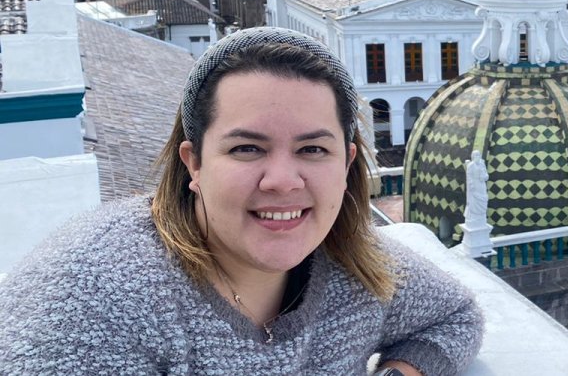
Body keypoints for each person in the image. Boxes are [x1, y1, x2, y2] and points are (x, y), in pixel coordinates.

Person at [0, 28, 485, 374]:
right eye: (246, 148)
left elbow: (455, 317)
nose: (282, 180)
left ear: (346, 163)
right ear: (194, 162)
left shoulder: (352, 266)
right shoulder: (95, 297)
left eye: (312, 149)